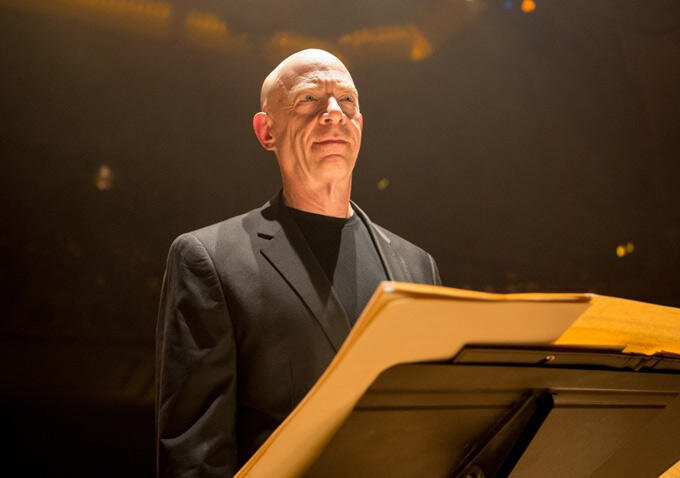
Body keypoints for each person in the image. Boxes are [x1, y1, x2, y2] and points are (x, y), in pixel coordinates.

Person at [155, 49, 441, 477]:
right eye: (309, 98)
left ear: (360, 124)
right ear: (266, 130)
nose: (334, 112)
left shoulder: (418, 267)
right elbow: (194, 457)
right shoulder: (208, 259)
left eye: (347, 100)